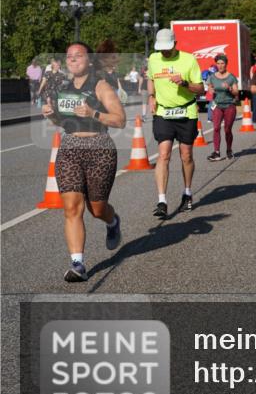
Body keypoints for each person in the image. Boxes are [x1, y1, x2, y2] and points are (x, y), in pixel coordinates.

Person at [40, 42, 126, 281]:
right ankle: (78, 264)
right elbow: (62, 122)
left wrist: (94, 114)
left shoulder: (101, 86)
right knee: (71, 208)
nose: (72, 59)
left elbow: (120, 120)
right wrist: (52, 115)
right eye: (69, 56)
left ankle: (112, 221)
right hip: (69, 149)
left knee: (97, 209)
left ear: (89, 60)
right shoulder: (63, 88)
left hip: (99, 148)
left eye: (78, 56)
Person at [146, 28, 205, 217]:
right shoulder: (154, 59)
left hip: (186, 112)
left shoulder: (189, 60)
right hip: (163, 112)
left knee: (186, 155)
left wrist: (185, 84)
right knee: (163, 155)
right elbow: (150, 78)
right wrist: (151, 96)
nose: (164, 52)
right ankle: (161, 200)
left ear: (175, 44)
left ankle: (187, 193)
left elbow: (201, 89)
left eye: (167, 48)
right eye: (161, 48)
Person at [206, 54, 240, 161]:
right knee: (216, 128)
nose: (220, 66)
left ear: (226, 64)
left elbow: (236, 92)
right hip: (217, 105)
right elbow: (209, 88)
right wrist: (210, 90)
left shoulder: (231, 77)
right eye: (218, 63)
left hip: (229, 105)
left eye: (222, 63)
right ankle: (216, 152)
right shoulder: (212, 77)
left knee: (227, 130)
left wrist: (230, 88)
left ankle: (229, 150)